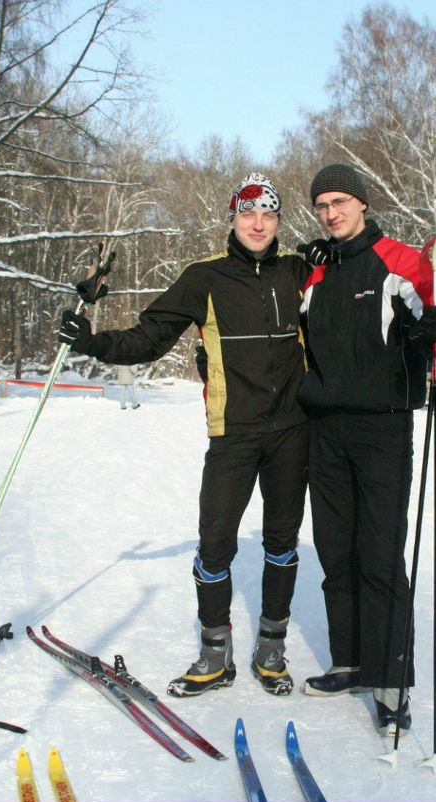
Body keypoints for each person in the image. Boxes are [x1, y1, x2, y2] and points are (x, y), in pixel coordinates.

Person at [56, 172, 312, 697]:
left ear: (278, 221)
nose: (258, 224)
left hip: (293, 430)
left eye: (268, 215)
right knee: (215, 545)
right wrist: (91, 343)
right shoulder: (205, 278)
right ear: (233, 220)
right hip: (233, 433)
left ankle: (272, 647)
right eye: (248, 214)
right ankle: (215, 653)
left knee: (282, 543)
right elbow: (148, 338)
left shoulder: (299, 271)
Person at [294, 163, 436, 737]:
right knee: (335, 549)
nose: (331, 212)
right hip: (326, 429)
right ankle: (349, 662)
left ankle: (391, 678)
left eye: (340, 201)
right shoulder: (315, 273)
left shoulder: (398, 259)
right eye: (322, 205)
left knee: (380, 554)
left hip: (382, 427)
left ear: (363, 203)